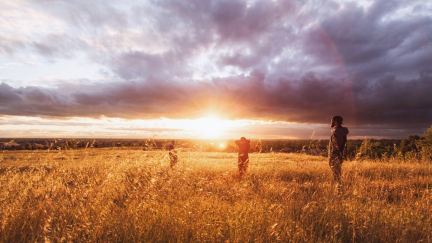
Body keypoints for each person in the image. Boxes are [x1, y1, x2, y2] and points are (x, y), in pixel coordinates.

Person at [328, 116, 349, 189]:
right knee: (338, 171)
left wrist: (338, 152)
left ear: (335, 121)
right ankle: (339, 187)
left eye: (332, 120)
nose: (331, 122)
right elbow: (345, 143)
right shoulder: (343, 130)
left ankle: (339, 188)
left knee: (335, 171)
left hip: (335, 153)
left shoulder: (336, 130)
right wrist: (343, 153)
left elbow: (337, 143)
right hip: (340, 153)